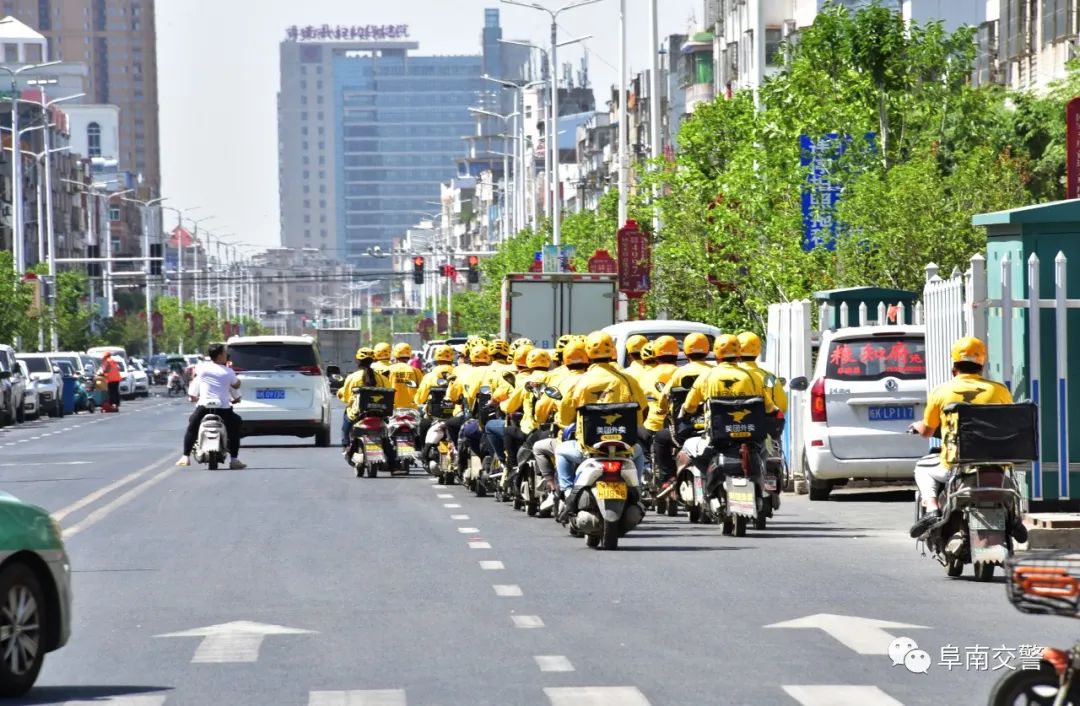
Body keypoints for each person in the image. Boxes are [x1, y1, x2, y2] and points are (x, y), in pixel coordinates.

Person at [907, 337, 1022, 540]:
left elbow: (927, 432)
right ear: (982, 366)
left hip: (955, 466)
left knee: (922, 468)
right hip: (994, 464)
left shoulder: (941, 391)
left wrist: (918, 426)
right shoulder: (999, 390)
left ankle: (932, 509)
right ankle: (1013, 517)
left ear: (954, 368)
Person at [554, 331, 649, 501]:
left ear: (587, 353)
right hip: (623, 449)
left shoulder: (579, 382)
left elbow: (565, 418)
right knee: (639, 451)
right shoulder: (628, 380)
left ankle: (567, 490)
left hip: (588, 449)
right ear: (613, 351)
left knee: (561, 451)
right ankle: (637, 489)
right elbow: (643, 410)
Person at [651, 333, 715, 487]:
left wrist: (661, 409)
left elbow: (665, 395)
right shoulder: (714, 372)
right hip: (712, 429)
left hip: (685, 430)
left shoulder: (679, 373)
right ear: (707, 351)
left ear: (685, 352)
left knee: (660, 438)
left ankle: (668, 478)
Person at [177, 343, 245, 469]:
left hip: (204, 407)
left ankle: (185, 456)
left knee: (192, 426)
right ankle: (234, 459)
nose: (226, 355)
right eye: (225, 353)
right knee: (235, 425)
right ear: (219, 356)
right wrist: (235, 376)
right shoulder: (228, 372)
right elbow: (236, 385)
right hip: (223, 409)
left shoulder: (202, 369)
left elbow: (193, 388)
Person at [341, 346, 396, 467]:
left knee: (346, 422)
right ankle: (394, 464)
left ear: (357, 361)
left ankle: (346, 445)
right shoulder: (382, 378)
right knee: (386, 439)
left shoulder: (352, 377)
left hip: (357, 415)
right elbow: (389, 394)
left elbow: (346, 398)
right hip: (379, 415)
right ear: (373, 360)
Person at [637, 336, 680, 453]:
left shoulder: (645, 376)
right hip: (677, 428)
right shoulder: (681, 373)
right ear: (677, 353)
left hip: (651, 426)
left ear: (656, 355)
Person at [415, 345, 456, 464]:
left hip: (435, 416)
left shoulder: (430, 376)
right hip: (454, 415)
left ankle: (424, 452)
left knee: (423, 424)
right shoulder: (458, 373)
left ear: (436, 358)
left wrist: (418, 401)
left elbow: (420, 398)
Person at [737, 331, 787, 415]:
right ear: (758, 350)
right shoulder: (769, 378)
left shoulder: (728, 375)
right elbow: (782, 407)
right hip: (763, 423)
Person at [388, 343, 424, 410]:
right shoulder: (415, 371)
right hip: (412, 409)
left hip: (392, 408)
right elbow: (422, 389)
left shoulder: (389, 370)